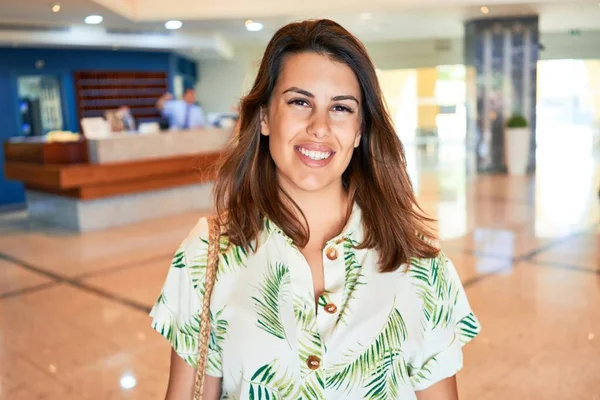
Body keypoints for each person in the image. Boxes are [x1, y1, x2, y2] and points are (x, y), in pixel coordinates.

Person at [150, 19, 480, 400]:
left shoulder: (419, 261)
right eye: (299, 102)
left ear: (359, 130)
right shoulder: (206, 254)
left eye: (340, 108)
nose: (319, 126)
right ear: (264, 118)